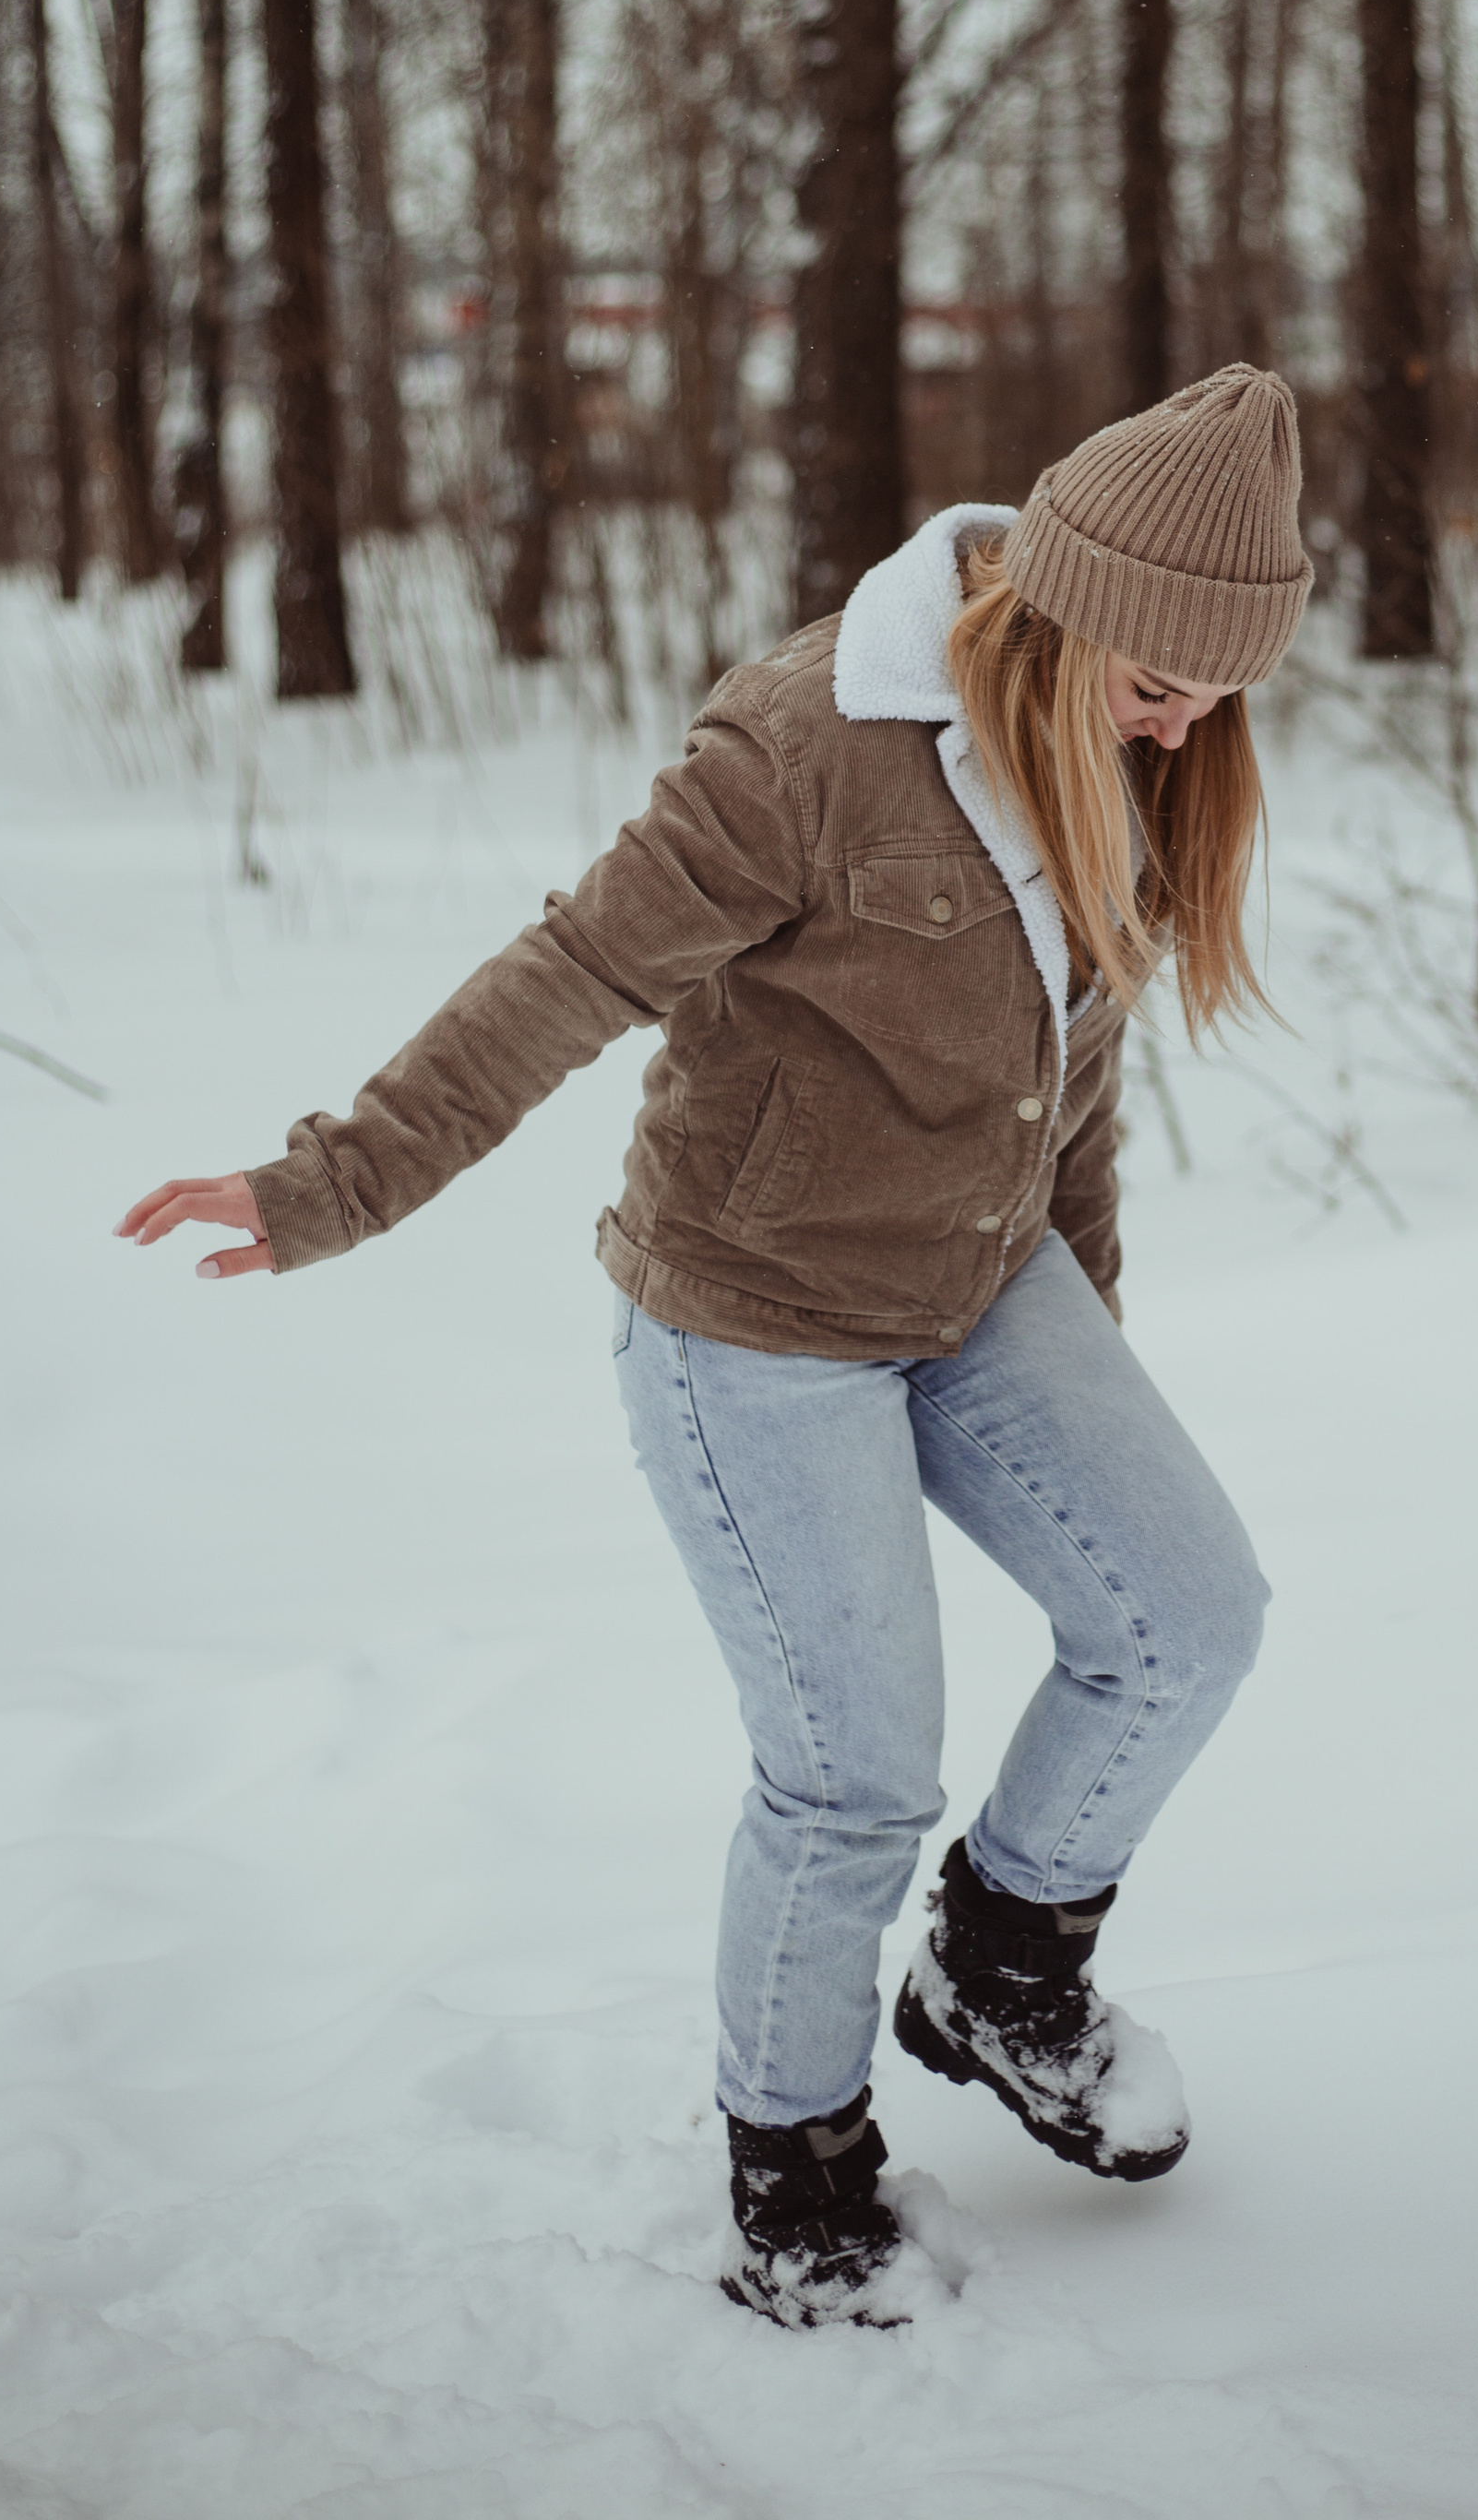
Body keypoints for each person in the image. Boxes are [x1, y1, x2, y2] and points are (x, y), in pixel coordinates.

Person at [119, 363, 1312, 2331]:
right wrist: (326, 1184)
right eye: (1155, 682)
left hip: (982, 1287)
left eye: (1216, 694)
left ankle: (999, 1971)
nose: (1185, 724)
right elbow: (570, 973)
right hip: (754, 1317)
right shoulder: (807, 743)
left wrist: (1093, 1328)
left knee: (1189, 1612)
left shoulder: (1143, 743)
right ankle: (795, 2171)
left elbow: (1070, 1077)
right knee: (851, 1773)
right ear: (1058, 602)